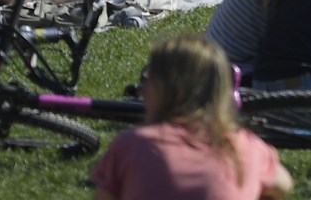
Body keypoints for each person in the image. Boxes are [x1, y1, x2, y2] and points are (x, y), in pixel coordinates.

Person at [92, 34, 291, 200]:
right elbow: (284, 185)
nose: (141, 92)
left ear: (165, 90)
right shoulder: (246, 146)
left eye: (148, 81)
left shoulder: (131, 144)